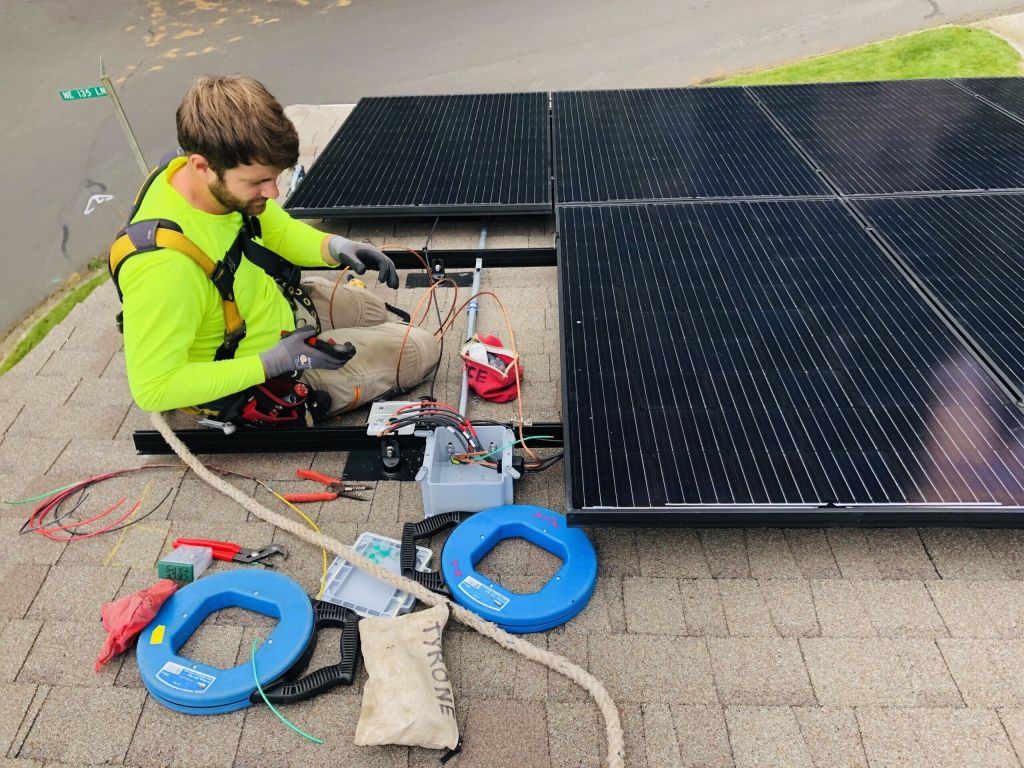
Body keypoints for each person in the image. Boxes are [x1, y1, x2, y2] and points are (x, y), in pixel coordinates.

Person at [111, 75, 440, 420]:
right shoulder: (164, 268)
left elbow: (276, 230)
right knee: (421, 348)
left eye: (274, 177)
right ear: (202, 166)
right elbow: (154, 387)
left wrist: (335, 246)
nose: (273, 193)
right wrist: (273, 362)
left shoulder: (197, 176)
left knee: (372, 311)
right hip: (258, 374)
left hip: (275, 314)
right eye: (258, 182)